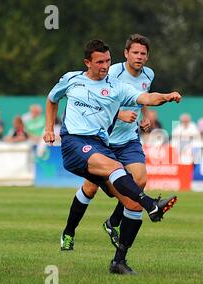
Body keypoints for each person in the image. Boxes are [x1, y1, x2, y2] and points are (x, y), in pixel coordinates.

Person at [43, 39, 181, 275]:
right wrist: (48, 129)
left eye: (107, 60)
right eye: (100, 62)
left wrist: (167, 96)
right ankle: (149, 205)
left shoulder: (116, 86)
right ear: (87, 62)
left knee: (131, 203)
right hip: (74, 144)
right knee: (112, 171)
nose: (105, 66)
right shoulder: (72, 79)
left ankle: (119, 261)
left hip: (101, 146)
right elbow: (52, 99)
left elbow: (146, 98)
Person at [60, 34, 158, 255]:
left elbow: (140, 97)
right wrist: (120, 113)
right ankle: (69, 231)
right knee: (90, 187)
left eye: (143, 53)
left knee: (139, 181)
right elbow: (102, 99)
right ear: (125, 54)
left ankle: (113, 222)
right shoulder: (111, 72)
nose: (139, 57)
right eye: (135, 52)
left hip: (128, 138)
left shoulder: (148, 74)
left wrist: (145, 115)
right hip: (103, 139)